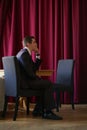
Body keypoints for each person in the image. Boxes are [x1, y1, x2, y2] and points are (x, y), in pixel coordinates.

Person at [16, 36, 63, 120]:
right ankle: (48, 112)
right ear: (28, 44)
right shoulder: (24, 55)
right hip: (26, 83)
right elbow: (30, 74)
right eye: (34, 42)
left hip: (27, 81)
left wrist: (38, 54)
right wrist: (39, 79)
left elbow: (34, 69)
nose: (36, 44)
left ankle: (38, 110)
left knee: (44, 86)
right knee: (48, 84)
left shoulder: (23, 53)